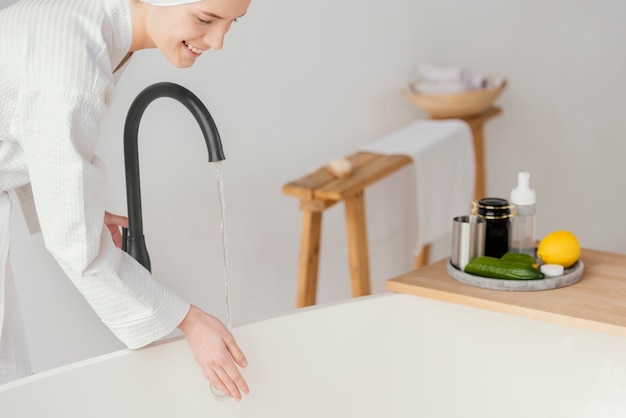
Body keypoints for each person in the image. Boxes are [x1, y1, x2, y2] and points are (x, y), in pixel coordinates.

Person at [0, 0, 251, 400]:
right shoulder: (73, 59)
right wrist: (187, 319)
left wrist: (78, 206)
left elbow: (22, 124)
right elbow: (75, 246)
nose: (218, 41)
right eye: (205, 19)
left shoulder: (93, 25)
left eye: (232, 23)